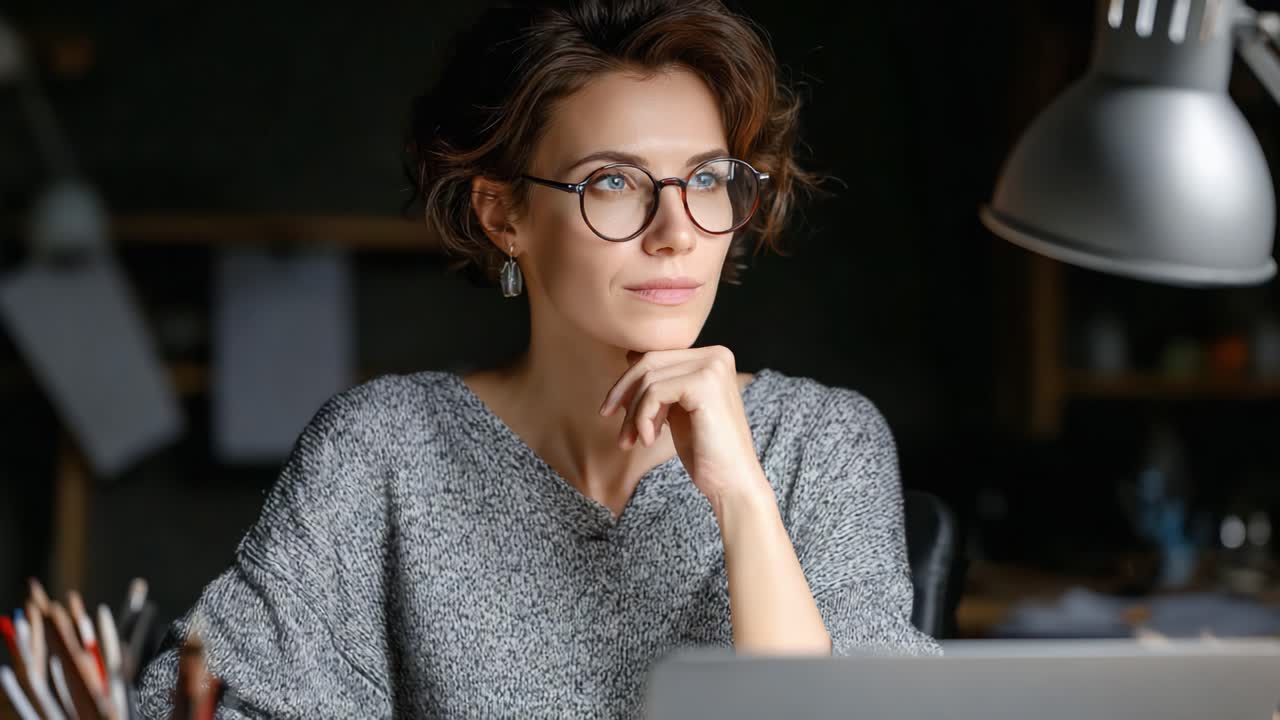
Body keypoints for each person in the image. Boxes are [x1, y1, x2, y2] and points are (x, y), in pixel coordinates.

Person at [138, 0, 938, 717]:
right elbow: (195, 701)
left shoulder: (822, 442)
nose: (677, 230)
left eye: (705, 178)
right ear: (504, 215)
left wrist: (742, 500)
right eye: (614, 182)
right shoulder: (383, 446)